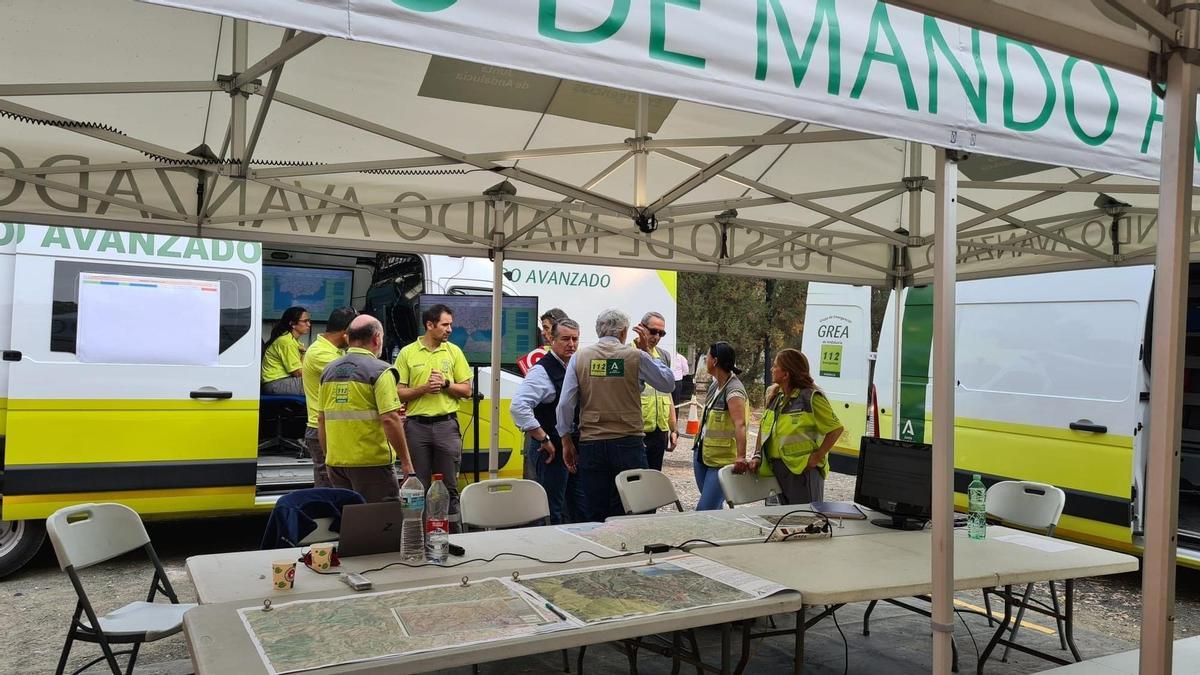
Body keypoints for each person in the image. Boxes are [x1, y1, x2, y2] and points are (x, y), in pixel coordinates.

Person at [557, 309, 675, 521]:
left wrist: (566, 439)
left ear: (598, 330)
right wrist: (646, 350)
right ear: (623, 333)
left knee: (595, 509)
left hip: (591, 442)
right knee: (636, 505)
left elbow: (565, 403)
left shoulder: (579, 358)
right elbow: (667, 383)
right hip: (628, 442)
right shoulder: (636, 356)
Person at [317, 315, 415, 502]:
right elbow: (390, 419)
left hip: (336, 462)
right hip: (371, 463)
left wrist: (328, 458)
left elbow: (321, 419)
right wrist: (406, 462)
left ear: (348, 337)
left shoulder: (329, 370)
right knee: (382, 521)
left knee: (350, 519)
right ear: (377, 338)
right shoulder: (380, 371)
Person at [395, 303, 472, 526]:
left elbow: (467, 390)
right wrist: (423, 389)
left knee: (448, 485)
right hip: (416, 428)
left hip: (446, 426)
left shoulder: (454, 351)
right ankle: (416, 533)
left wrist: (446, 383)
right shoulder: (407, 353)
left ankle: (451, 533)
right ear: (430, 325)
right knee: (417, 485)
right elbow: (398, 394)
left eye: (451, 325)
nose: (449, 329)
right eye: (445, 325)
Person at [509, 318, 587, 524]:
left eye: (575, 339)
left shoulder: (575, 365)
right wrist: (543, 438)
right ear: (551, 339)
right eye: (565, 339)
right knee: (552, 510)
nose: (571, 344)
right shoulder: (542, 370)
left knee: (579, 507)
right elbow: (518, 407)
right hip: (551, 450)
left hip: (575, 447)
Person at [748, 348, 844, 504]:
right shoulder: (775, 397)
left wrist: (816, 458)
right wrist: (757, 455)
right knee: (778, 523)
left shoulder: (811, 397)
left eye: (775, 366)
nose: (772, 369)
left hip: (802, 471)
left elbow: (836, 429)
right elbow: (763, 428)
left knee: (803, 521)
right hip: (776, 469)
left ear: (786, 375)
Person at [301, 306, 357, 488]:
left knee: (340, 482)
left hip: (336, 426)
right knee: (327, 483)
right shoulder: (320, 353)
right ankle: (324, 516)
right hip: (321, 427)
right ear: (345, 333)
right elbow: (357, 374)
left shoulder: (338, 350)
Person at [693, 342, 749, 510]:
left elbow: (740, 424)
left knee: (704, 511)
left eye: (707, 357)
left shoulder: (734, 390)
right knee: (713, 509)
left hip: (721, 461)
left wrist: (741, 456)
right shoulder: (714, 386)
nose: (705, 360)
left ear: (715, 361)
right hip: (703, 455)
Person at [636, 311, 678, 471]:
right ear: (641, 328)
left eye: (661, 333)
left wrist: (674, 429)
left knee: (654, 479)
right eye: (653, 331)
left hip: (660, 431)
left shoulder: (663, 356)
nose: (657, 336)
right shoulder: (629, 352)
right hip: (637, 431)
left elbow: (667, 394)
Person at [261, 307, 309, 395]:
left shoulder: (294, 342)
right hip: (275, 383)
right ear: (293, 324)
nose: (309, 324)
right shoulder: (287, 342)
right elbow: (298, 373)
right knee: (316, 383)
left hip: (282, 381)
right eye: (305, 321)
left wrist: (303, 354)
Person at [517, 307, 568, 375]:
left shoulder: (574, 360)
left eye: (546, 328)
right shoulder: (541, 353)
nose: (542, 333)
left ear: (558, 330)